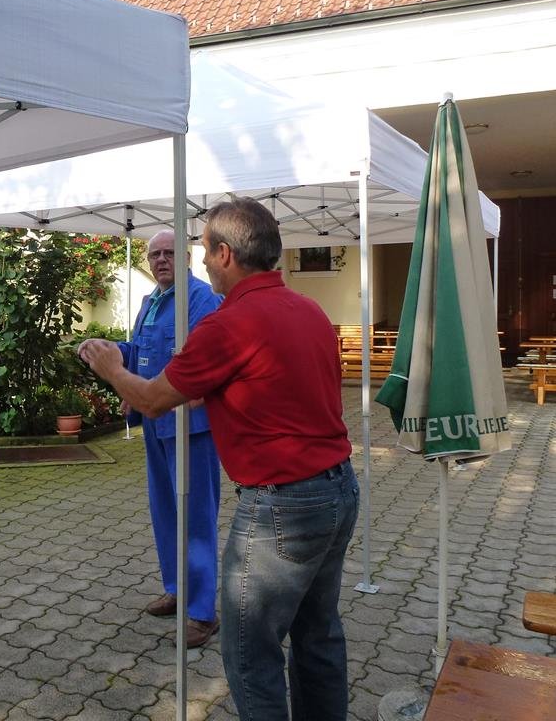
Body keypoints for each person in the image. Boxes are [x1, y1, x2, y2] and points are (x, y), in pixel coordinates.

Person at [79, 198, 358, 721]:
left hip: (281, 505)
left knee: (251, 653)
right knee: (317, 636)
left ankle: (198, 606)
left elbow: (152, 400)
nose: (202, 261)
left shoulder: (227, 323)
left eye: (205, 251)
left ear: (226, 254)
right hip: (338, 489)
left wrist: (112, 369)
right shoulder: (310, 310)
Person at [103, 229, 223, 648]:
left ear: (186, 258)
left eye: (169, 253)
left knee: (196, 516)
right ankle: (176, 588)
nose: (161, 260)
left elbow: (204, 359)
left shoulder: (202, 299)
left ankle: (203, 612)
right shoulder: (150, 301)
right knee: (165, 510)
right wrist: (115, 359)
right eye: (154, 254)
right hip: (155, 421)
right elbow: (142, 351)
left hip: (191, 424)